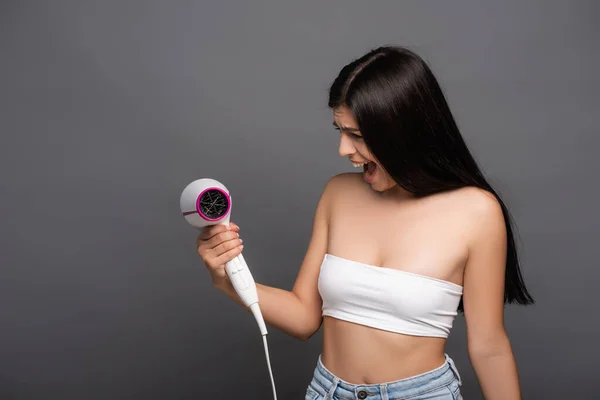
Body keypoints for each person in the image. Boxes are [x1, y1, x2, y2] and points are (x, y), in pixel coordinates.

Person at [195, 46, 534, 400]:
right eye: (339, 131)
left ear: (403, 132)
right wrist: (227, 279)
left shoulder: (477, 212)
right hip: (327, 391)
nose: (343, 149)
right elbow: (304, 317)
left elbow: (488, 346)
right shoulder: (338, 194)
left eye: (356, 135)